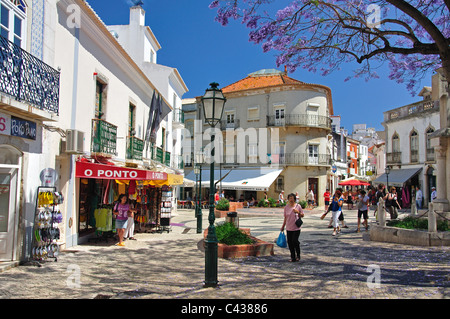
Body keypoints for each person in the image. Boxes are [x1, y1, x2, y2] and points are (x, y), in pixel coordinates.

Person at [280, 193, 304, 262]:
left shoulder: (298, 206)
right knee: (290, 242)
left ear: (294, 199)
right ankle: (293, 257)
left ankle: (298, 255)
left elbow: (302, 215)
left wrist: (298, 212)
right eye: (289, 198)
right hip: (289, 227)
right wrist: (283, 226)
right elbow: (285, 218)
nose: (291, 199)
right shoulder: (286, 207)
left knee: (295, 241)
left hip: (296, 227)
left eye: (292, 198)